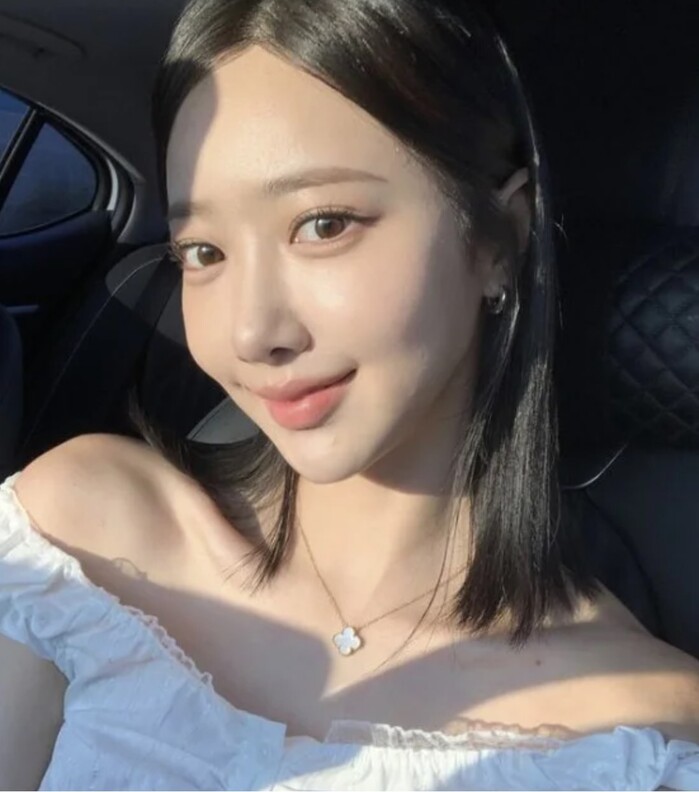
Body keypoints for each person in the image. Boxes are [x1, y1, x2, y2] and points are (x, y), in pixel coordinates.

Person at [1, 0, 698, 788]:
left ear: (498, 240)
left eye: (323, 224)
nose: (251, 332)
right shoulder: (76, 543)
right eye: (203, 252)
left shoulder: (635, 735)